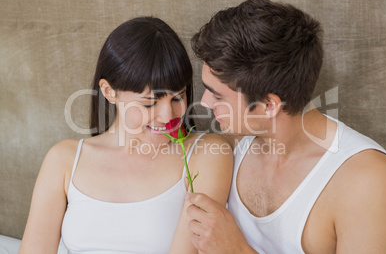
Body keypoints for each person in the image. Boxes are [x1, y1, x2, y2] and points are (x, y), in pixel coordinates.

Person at [186, 0, 386, 254]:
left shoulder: (367, 182)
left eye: (217, 95)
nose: (204, 103)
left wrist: (239, 250)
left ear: (269, 105)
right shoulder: (235, 142)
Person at [19, 17, 233, 254]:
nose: (168, 116)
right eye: (149, 104)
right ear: (109, 91)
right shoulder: (64, 159)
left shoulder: (206, 154)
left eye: (178, 97)